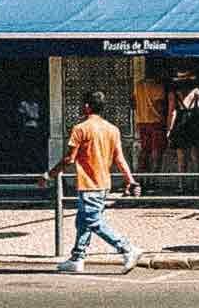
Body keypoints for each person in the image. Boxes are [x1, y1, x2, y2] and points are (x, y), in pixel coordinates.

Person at [47, 90, 142, 273]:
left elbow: (69, 159)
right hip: (103, 183)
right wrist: (130, 180)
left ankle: (128, 249)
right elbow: (120, 159)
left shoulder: (80, 129)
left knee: (93, 221)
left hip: (89, 183)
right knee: (82, 221)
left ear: (87, 107)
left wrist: (49, 174)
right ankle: (77, 258)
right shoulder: (112, 129)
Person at [165, 70, 199, 190]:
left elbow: (172, 112)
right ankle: (196, 184)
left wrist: (169, 129)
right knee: (196, 156)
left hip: (180, 124)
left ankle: (181, 185)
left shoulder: (174, 93)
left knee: (181, 158)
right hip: (193, 122)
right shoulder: (196, 91)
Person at [132, 73, 167, 175]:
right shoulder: (158, 86)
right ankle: (154, 177)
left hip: (142, 122)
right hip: (156, 122)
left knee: (144, 150)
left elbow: (133, 103)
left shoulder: (138, 85)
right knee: (156, 151)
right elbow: (160, 106)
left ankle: (142, 176)